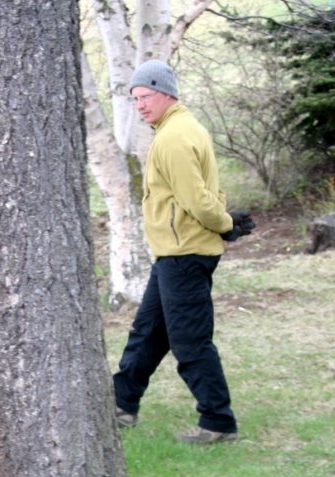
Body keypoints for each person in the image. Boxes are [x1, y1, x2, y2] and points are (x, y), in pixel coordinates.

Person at [113, 59, 254, 445]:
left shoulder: (174, 137)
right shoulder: (181, 128)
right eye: (134, 99)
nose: (139, 105)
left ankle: (217, 422)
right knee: (149, 332)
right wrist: (224, 221)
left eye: (144, 97)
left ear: (165, 93)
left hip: (185, 252)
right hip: (175, 251)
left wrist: (225, 225)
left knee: (190, 340)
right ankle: (121, 402)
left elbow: (196, 199)